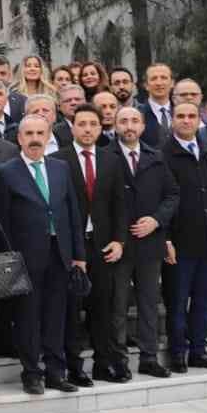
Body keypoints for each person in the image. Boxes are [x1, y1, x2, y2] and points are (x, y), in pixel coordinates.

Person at [0, 114, 87, 396]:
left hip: (60, 255)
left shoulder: (60, 168)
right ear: (19, 138)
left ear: (48, 137)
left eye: (40, 133)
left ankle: (56, 373)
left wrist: (79, 255)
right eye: (29, 133)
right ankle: (31, 373)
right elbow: (2, 220)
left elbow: (72, 212)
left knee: (56, 316)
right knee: (28, 318)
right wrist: (8, 261)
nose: (35, 138)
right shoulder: (6, 171)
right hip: (25, 259)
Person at [111, 106, 180, 379]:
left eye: (134, 121)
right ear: (115, 126)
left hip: (150, 242)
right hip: (119, 244)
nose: (129, 126)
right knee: (117, 305)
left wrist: (156, 220)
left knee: (149, 303)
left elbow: (173, 195)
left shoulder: (156, 157)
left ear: (142, 126)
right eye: (123, 121)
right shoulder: (107, 156)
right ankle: (119, 360)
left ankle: (149, 357)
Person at [60, 104, 125, 387]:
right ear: (72, 127)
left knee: (103, 307)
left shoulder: (112, 160)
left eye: (93, 124)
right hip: (72, 248)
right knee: (72, 309)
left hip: (103, 246)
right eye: (82, 123)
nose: (87, 129)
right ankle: (74, 366)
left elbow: (121, 205)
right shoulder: (58, 160)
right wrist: (71, 250)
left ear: (101, 128)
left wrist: (120, 240)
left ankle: (103, 363)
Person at [164, 102, 207, 373]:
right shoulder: (163, 154)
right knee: (178, 301)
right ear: (172, 120)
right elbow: (160, 197)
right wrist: (166, 238)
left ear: (199, 120)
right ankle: (178, 352)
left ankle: (198, 350)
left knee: (204, 299)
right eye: (181, 116)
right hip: (180, 242)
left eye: (192, 116)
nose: (186, 121)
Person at [136, 63, 175, 148]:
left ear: (172, 83)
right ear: (146, 85)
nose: (159, 83)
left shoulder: (181, 113)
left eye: (163, 78)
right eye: (154, 79)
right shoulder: (137, 115)